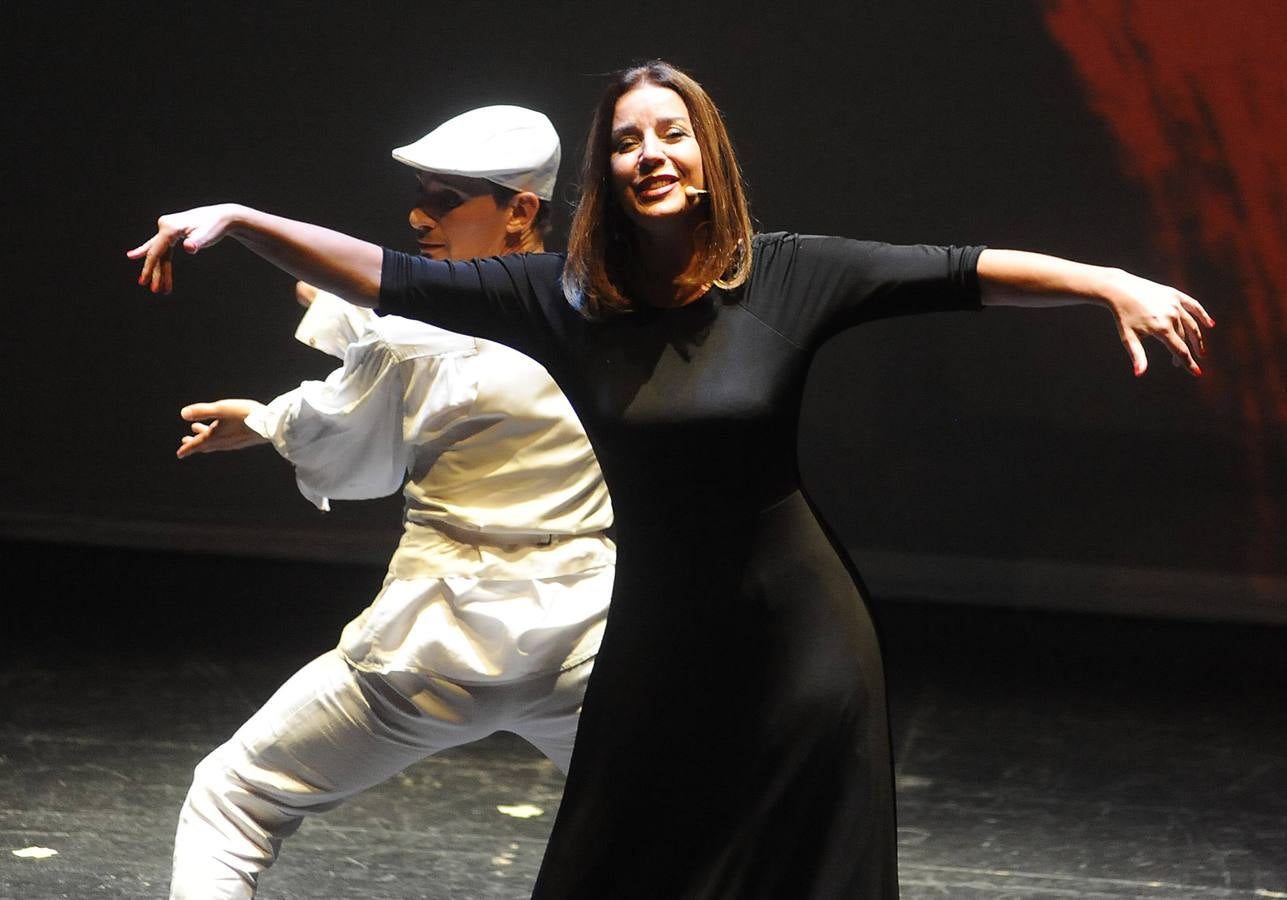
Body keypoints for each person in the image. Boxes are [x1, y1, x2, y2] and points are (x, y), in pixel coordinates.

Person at [131, 61, 1213, 899]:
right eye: (627, 142)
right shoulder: (554, 302)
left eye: (671, 134)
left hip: (706, 636)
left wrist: (1102, 279)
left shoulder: (768, 275)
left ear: (708, 153)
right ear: (598, 176)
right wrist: (243, 226)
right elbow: (385, 280)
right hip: (624, 637)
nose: (650, 155)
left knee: (786, 862)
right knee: (639, 859)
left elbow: (953, 271)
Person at [163, 105, 615, 900]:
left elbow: (349, 446)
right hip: (583, 648)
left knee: (232, 800)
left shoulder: (412, 338)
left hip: (438, 646)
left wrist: (265, 421)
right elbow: (429, 335)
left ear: (520, 210)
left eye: (446, 199)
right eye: (422, 194)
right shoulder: (608, 317)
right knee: (681, 822)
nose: (418, 214)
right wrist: (336, 314)